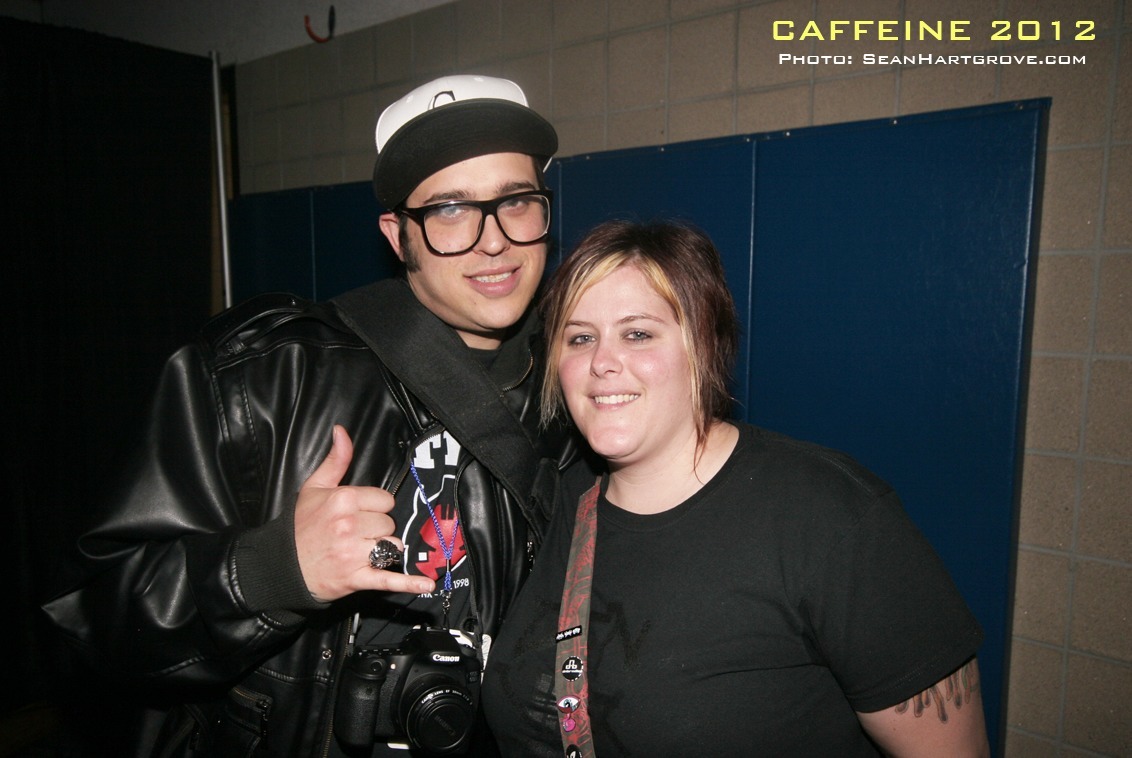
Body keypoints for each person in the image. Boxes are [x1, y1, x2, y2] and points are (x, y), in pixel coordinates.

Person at [43, 74, 580, 757]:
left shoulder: (576, 388)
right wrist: (271, 571)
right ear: (398, 236)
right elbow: (91, 621)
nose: (494, 240)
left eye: (516, 202)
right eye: (450, 209)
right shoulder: (267, 376)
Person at [482, 220, 991, 757]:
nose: (602, 363)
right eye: (581, 338)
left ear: (703, 343)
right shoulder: (559, 500)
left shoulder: (832, 517)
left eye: (638, 334)